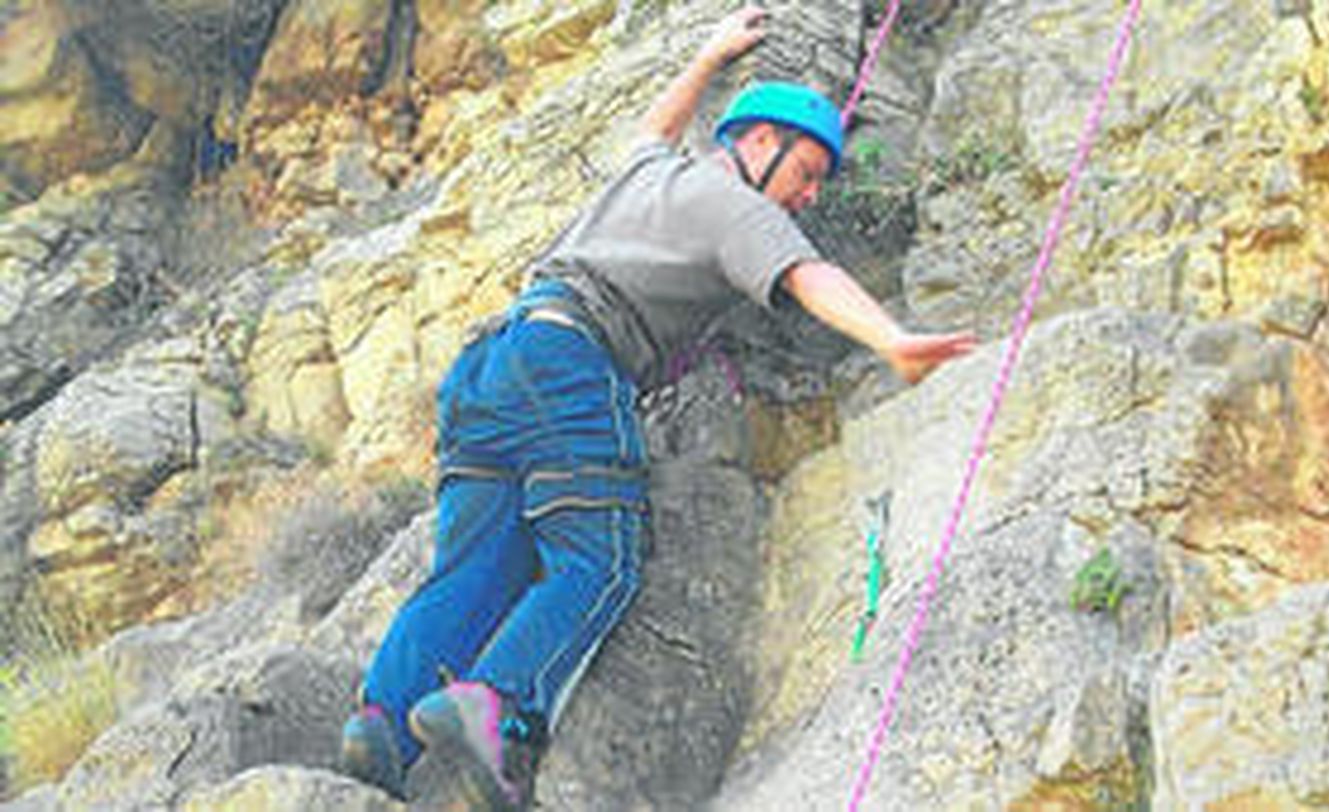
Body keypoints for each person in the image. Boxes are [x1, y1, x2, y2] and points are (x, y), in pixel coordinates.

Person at [336, 7, 975, 809]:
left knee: (475, 564)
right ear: (755, 144)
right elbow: (809, 278)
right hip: (571, 361)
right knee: (600, 558)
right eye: (806, 170)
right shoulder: (739, 211)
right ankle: (493, 706)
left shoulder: (651, 170)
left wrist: (708, 58)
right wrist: (893, 340)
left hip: (488, 362)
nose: (809, 195)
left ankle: (379, 722)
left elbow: (653, 123)